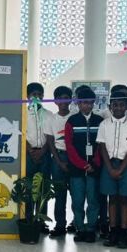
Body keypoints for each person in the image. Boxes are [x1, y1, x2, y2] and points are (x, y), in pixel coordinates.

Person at [98, 91, 127, 248]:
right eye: (115, 105)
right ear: (110, 106)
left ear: (126, 107)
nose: (118, 108)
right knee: (112, 198)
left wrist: (121, 169)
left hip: (126, 165)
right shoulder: (104, 124)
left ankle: (123, 231)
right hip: (109, 164)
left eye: (122, 104)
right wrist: (110, 168)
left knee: (124, 199)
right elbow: (102, 147)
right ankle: (113, 231)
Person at [63, 86, 104, 243]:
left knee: (93, 200)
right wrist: (82, 164)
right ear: (78, 103)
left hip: (94, 169)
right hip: (76, 169)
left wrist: (94, 163)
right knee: (77, 201)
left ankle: (91, 229)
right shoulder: (71, 121)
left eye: (90, 103)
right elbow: (69, 146)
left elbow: (101, 145)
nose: (87, 105)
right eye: (84, 102)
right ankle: (80, 228)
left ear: (94, 103)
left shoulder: (99, 121)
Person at [45, 86, 74, 238]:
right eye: (60, 99)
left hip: (75, 158)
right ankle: (60, 225)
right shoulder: (51, 119)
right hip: (58, 158)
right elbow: (50, 142)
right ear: (55, 101)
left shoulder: (75, 116)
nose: (63, 102)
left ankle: (76, 223)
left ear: (71, 100)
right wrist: (59, 162)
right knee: (60, 194)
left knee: (76, 193)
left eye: (66, 98)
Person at [25, 82, 53, 232]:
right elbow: (21, 134)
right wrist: (30, 150)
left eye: (39, 94)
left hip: (45, 154)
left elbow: (51, 137)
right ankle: (29, 219)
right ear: (27, 96)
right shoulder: (22, 114)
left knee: (43, 188)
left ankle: (41, 221)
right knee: (29, 187)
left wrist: (42, 151)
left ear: (43, 96)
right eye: (33, 94)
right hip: (28, 154)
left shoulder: (49, 115)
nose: (36, 97)